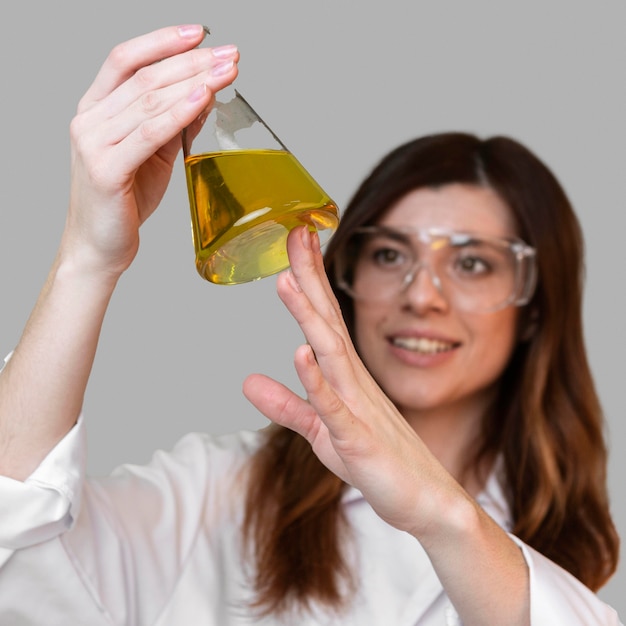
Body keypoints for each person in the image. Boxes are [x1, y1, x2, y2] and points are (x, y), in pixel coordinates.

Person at [0, 23, 621, 626]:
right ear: (344, 274)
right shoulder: (215, 498)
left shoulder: (560, 558)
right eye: (389, 255)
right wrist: (87, 259)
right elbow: (15, 547)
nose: (423, 296)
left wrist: (442, 515)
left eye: (473, 263)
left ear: (536, 304)